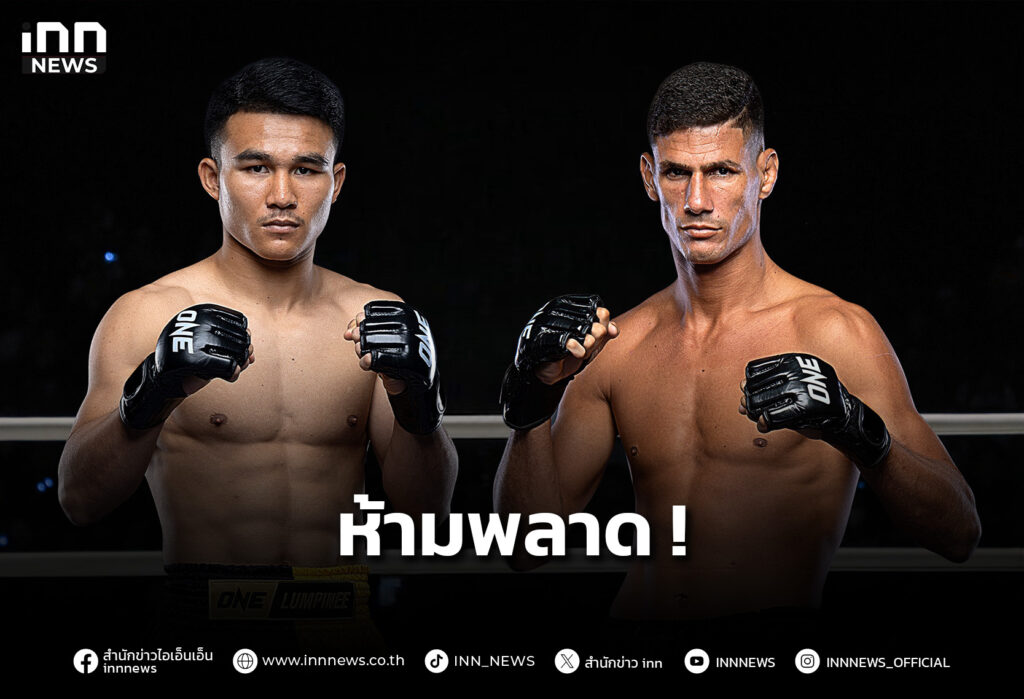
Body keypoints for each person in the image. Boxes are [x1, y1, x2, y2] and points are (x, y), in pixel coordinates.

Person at [494, 62, 980, 626]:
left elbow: (959, 533)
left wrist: (856, 429)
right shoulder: (620, 345)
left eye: (722, 171)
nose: (697, 201)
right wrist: (530, 400)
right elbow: (526, 548)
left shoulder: (833, 331)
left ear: (765, 174)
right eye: (677, 173)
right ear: (649, 178)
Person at [57, 58, 457, 641]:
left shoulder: (376, 314)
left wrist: (420, 403)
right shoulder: (145, 313)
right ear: (212, 177)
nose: (282, 196)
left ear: (336, 183)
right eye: (255, 167)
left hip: (338, 617)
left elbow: (428, 515)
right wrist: (153, 390)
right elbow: (79, 500)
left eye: (306, 170)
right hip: (204, 614)